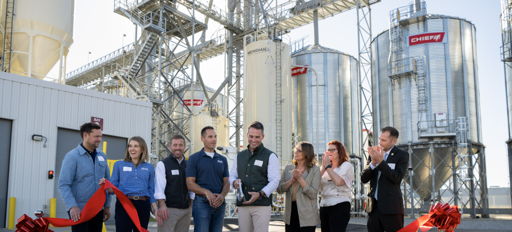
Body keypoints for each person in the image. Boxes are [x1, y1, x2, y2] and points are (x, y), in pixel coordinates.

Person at [58, 122, 111, 232]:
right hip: (80, 210)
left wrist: (107, 206)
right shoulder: (72, 157)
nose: (99, 139)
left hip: (98, 209)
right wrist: (72, 206)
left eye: (100, 136)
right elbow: (64, 185)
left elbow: (107, 183)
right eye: (96, 136)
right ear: (85, 135)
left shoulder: (102, 156)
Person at [229, 121, 281, 232]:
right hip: (243, 205)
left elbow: (275, 180)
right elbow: (232, 175)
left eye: (257, 137)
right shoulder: (240, 156)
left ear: (262, 136)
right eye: (251, 136)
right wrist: (234, 182)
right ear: (247, 135)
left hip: (261, 206)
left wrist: (260, 194)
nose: (253, 140)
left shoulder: (270, 156)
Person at [362, 126, 409, 232]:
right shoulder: (374, 154)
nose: (380, 142)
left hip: (391, 209)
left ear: (393, 141)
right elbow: (363, 178)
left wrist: (381, 162)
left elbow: (396, 178)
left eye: (383, 140)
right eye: (379, 139)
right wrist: (373, 164)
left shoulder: (402, 155)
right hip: (373, 208)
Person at [186, 126, 230, 232]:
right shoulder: (194, 158)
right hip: (202, 203)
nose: (214, 139)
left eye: (215, 136)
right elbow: (190, 183)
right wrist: (206, 192)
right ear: (202, 139)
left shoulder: (223, 159)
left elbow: (227, 182)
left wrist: (222, 195)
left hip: (219, 203)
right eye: (210, 137)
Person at [108, 136, 156, 231]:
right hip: (124, 204)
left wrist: (154, 206)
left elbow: (151, 189)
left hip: (143, 204)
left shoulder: (149, 167)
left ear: (142, 149)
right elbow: (113, 188)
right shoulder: (119, 165)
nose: (132, 149)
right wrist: (106, 185)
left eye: (136, 146)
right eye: (130, 146)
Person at [277, 142, 320, 232]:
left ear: (307, 153)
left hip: (307, 215)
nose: (295, 152)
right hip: (290, 213)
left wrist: (300, 178)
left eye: (299, 150)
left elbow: (313, 194)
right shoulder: (288, 168)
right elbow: (279, 189)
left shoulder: (315, 170)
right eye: (295, 150)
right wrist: (291, 180)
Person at [155, 135, 193, 232]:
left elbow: (192, 187)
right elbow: (159, 187)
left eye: (180, 145)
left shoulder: (189, 165)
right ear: (169, 146)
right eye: (175, 145)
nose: (178, 148)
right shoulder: (162, 164)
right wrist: (162, 205)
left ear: (184, 147)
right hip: (168, 210)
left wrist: (191, 206)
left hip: (186, 210)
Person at [319, 140, 354, 232]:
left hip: (339, 204)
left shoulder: (346, 165)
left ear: (340, 151)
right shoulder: (325, 167)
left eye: (332, 150)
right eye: (328, 150)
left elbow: (338, 182)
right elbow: (314, 184)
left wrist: (328, 167)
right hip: (324, 204)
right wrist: (323, 167)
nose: (329, 152)